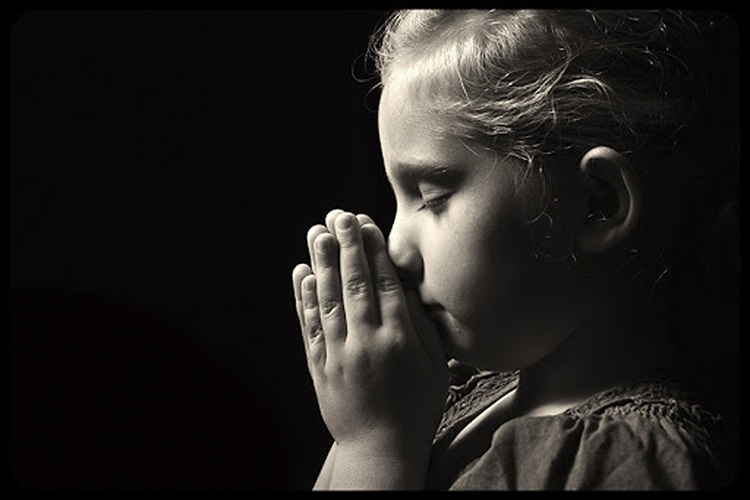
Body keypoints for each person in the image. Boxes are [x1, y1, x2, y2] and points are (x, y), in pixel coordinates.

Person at [290, 9, 739, 490]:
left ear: (597, 203)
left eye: (433, 197)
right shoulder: (444, 393)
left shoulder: (627, 461)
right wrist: (367, 427)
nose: (396, 249)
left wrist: (374, 445)